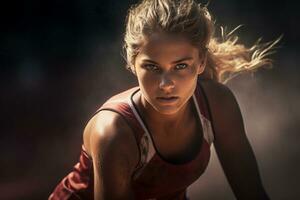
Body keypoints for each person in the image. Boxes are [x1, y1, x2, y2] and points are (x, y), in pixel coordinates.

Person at [49, 0, 280, 199]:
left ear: (200, 62)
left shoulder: (217, 105)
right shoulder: (114, 133)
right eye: (152, 66)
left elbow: (253, 194)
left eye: (180, 66)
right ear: (132, 64)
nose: (165, 84)